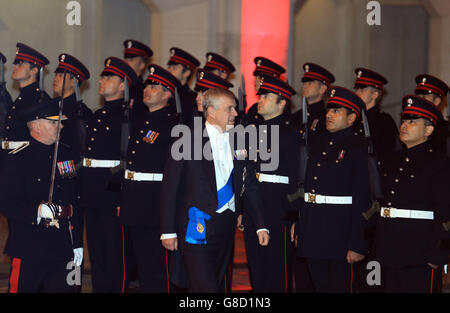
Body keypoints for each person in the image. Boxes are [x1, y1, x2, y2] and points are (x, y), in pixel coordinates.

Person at [159, 88, 270, 292]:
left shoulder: (240, 140)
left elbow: (250, 185)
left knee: (211, 286)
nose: (235, 114)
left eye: (235, 109)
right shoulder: (186, 140)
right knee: (206, 288)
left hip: (225, 230)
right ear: (211, 111)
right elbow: (169, 187)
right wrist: (167, 230)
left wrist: (261, 225)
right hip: (195, 227)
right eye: (229, 109)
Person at [0, 98, 83, 293]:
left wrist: (77, 242)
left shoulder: (65, 155)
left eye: (61, 121)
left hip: (64, 244)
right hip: (29, 245)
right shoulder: (17, 158)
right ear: (35, 126)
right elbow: (5, 201)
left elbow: (74, 200)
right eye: (54, 122)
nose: (61, 126)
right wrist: (35, 211)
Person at [294, 86, 370, 292]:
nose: (329, 114)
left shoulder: (358, 147)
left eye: (336, 111)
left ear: (352, 117)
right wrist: (300, 226)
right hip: (313, 229)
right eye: (329, 110)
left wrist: (357, 243)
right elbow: (307, 189)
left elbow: (364, 199)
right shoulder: (318, 143)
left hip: (340, 232)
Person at [375, 95, 450, 292]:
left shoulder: (439, 163)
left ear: (428, 130)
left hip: (420, 252)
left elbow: (446, 212)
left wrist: (439, 255)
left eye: (412, 121)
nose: (404, 125)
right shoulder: (393, 160)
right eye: (404, 120)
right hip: (388, 249)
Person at [118, 64, 180, 292]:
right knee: (144, 267)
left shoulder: (173, 124)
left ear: (167, 94)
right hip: (135, 201)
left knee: (158, 268)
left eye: (154, 86)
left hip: (155, 203)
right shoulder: (141, 121)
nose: (147, 89)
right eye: (147, 85)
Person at [79, 57, 137, 293]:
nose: (101, 81)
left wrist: (120, 196)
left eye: (108, 77)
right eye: (102, 76)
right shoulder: (98, 114)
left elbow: (128, 160)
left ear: (123, 85)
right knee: (97, 253)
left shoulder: (128, 118)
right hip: (92, 191)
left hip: (112, 194)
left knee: (115, 254)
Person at [240, 75, 299, 292]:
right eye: (260, 95)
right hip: (254, 209)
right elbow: (243, 168)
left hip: (278, 209)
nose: (260, 100)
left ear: (282, 103)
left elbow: (296, 178)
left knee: (278, 272)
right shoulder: (252, 131)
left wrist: (294, 217)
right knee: (257, 270)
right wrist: (241, 208)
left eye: (266, 96)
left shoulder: (291, 133)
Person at [2, 43, 50, 154]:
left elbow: (44, 142)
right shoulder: (19, 99)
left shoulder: (40, 101)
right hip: (10, 159)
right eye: (15, 64)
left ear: (34, 71)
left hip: (25, 163)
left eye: (20, 64)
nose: (14, 67)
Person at [290, 62, 335, 144]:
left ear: (322, 88)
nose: (304, 86)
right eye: (304, 83)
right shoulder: (295, 117)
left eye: (310, 83)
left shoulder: (327, 118)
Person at [414, 74, 449, 155]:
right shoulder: (410, 125)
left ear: (436, 101)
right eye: (418, 97)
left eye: (423, 97)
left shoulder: (445, 131)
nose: (419, 101)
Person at [246, 57, 286, 125]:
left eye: (261, 77)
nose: (256, 80)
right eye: (256, 76)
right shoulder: (253, 109)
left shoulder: (279, 108)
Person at [167, 47, 200, 127]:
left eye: (174, 68)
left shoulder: (193, 99)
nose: (169, 71)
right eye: (169, 67)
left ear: (186, 73)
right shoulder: (165, 93)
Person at [123, 39, 153, 112]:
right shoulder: (120, 87)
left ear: (141, 65)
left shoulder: (144, 92)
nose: (126, 62)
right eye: (125, 59)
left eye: (131, 59)